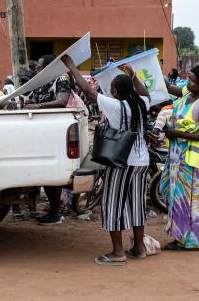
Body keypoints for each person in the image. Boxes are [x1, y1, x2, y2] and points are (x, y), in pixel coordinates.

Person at [62, 55, 151, 265]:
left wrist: (72, 67)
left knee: (114, 205)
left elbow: (88, 91)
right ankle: (139, 248)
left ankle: (118, 252)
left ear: (116, 91)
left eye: (112, 87)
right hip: (142, 162)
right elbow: (145, 92)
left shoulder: (117, 106)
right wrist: (133, 75)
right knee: (137, 205)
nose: (110, 90)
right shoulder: (142, 103)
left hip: (121, 162)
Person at [161, 65, 199, 251]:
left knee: (188, 199)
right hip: (177, 157)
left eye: (191, 80)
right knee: (177, 196)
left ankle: (187, 239)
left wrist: (176, 133)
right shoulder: (188, 93)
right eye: (188, 78)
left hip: (189, 159)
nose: (187, 83)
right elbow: (168, 88)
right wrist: (151, 66)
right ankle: (184, 236)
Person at [24, 55, 72, 226]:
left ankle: (56, 212)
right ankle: (53, 210)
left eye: (39, 67)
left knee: (53, 174)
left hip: (55, 132)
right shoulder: (41, 82)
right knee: (45, 174)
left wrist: (37, 106)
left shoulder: (60, 79)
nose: (36, 70)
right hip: (42, 132)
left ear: (49, 67)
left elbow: (62, 101)